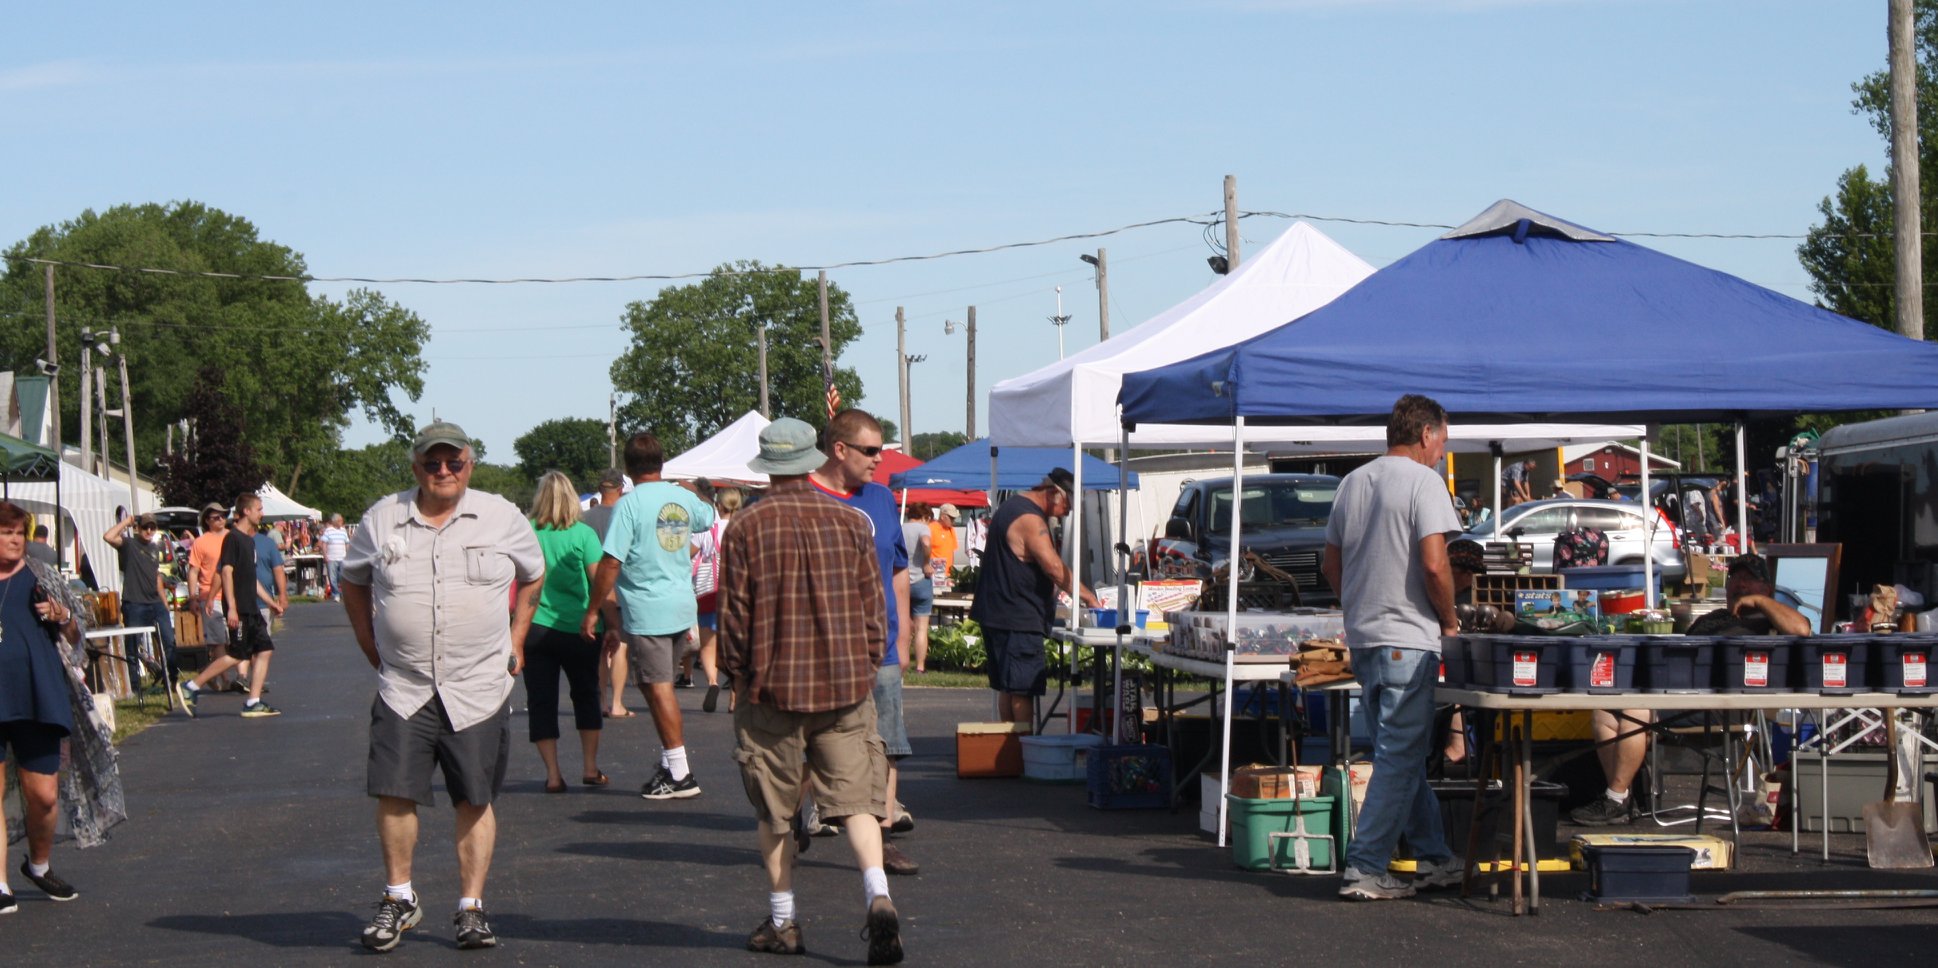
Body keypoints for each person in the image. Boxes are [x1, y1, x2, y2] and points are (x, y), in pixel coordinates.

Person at [341, 420, 545, 951]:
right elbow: (353, 580)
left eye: (454, 462)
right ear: (416, 467)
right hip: (404, 686)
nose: (444, 471)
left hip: (478, 684)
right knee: (394, 792)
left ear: (469, 465)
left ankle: (471, 908)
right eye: (433, 462)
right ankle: (399, 896)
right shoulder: (382, 519)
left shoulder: (502, 517)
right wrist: (370, 644)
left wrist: (517, 638)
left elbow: (534, 573)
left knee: (474, 798)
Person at [717, 418, 905, 964]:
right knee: (858, 805)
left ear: (769, 468)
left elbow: (734, 618)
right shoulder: (852, 521)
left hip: (773, 690)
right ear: (812, 459)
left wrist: (737, 675)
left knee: (775, 814)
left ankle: (783, 922)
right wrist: (868, 663)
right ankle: (878, 894)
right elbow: (876, 611)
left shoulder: (746, 528)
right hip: (846, 688)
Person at [1321, 393, 1465, 901]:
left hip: (1365, 638)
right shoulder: (1425, 482)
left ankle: (1434, 856)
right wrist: (1450, 622)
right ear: (1426, 434)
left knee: (1398, 754)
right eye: (1442, 443)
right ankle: (1364, 867)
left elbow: (1330, 565)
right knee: (1400, 757)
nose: (1442, 454)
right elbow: (1434, 563)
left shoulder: (1352, 482)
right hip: (1409, 638)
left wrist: (1361, 605)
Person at [1570, 552, 1811, 825]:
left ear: (1766, 588)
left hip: (1721, 705)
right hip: (1677, 694)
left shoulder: (1766, 622)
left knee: (1635, 711)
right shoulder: (1712, 617)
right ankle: (1624, 798)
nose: (1740, 584)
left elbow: (1802, 629)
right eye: (1736, 578)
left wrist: (1761, 602)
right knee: (1604, 710)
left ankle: (1614, 800)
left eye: (1750, 579)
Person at [807, 410, 918, 876]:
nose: (879, 460)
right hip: (820, 648)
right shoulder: (804, 496)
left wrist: (906, 632)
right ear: (840, 450)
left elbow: (897, 569)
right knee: (808, 740)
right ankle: (797, 820)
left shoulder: (881, 498)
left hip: (880, 648)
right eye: (871, 451)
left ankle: (884, 835)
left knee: (887, 744)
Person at [0, 500, 120, 913]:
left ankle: (37, 864)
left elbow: (76, 631)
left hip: (37, 695)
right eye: (6, 533)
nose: (15, 540)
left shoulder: (41, 575)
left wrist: (62, 612)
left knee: (44, 797)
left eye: (19, 532)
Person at [583, 432, 715, 801]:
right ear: (661, 464)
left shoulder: (629, 505)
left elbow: (611, 561)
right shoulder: (681, 497)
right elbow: (707, 517)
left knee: (657, 688)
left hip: (648, 607)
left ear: (628, 469)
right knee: (661, 688)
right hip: (680, 604)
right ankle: (670, 764)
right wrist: (689, 487)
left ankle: (681, 773)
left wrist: (594, 610)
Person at [970, 468, 1099, 724]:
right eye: (1067, 505)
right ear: (1053, 494)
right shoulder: (1030, 519)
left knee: (1008, 687)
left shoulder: (1011, 507)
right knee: (1022, 689)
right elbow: (1052, 567)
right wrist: (1088, 597)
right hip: (1017, 617)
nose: (1067, 513)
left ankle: (1012, 752)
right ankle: (1023, 749)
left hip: (999, 614)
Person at [523, 471, 610, 793]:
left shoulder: (526, 533)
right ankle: (589, 767)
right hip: (580, 628)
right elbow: (597, 582)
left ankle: (553, 774)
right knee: (586, 694)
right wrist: (607, 622)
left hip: (535, 626)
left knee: (541, 700)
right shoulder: (583, 535)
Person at [180, 493, 285, 718]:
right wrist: (232, 608)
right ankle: (191, 687)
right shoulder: (233, 539)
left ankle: (253, 702)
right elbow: (226, 572)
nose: (262, 513)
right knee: (237, 654)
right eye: (259, 509)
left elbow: (251, 579)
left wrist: (270, 602)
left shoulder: (249, 541)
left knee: (265, 651)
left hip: (253, 607)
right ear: (246, 511)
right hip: (240, 608)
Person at [103, 512, 179, 689]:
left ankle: (172, 681)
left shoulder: (156, 547)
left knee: (169, 641)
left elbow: (156, 577)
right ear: (138, 528)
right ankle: (135, 687)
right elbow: (108, 536)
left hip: (156, 602)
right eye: (145, 527)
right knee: (133, 646)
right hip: (134, 603)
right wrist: (126, 522)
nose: (149, 530)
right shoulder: (129, 544)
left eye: (152, 527)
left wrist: (164, 602)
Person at [579, 469, 633, 718]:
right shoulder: (626, 514)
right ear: (620, 489)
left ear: (600, 490)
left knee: (600, 649)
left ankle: (601, 700)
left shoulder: (584, 517)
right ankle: (617, 702)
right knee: (619, 646)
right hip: (620, 590)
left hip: (593, 591)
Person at [689, 486, 742, 714]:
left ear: (718, 505)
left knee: (708, 644)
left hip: (708, 591)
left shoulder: (707, 528)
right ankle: (734, 698)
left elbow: (688, 553)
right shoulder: (744, 528)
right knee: (735, 647)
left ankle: (712, 681)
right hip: (735, 594)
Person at [188, 503, 242, 689]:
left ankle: (210, 671)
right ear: (207, 521)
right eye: (215, 517)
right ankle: (225, 679)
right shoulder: (201, 542)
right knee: (218, 640)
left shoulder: (232, 536)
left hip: (233, 595)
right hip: (209, 595)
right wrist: (193, 597)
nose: (220, 520)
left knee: (234, 638)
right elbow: (193, 571)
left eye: (222, 516)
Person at [903, 504, 934, 675]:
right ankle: (920, 666)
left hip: (902, 581)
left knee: (904, 625)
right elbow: (926, 542)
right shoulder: (923, 528)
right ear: (925, 517)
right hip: (921, 580)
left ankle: (903, 662)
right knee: (921, 627)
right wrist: (926, 563)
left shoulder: (899, 528)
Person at [254, 520, 289, 633]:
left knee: (264, 644)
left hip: (264, 601)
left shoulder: (267, 542)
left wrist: (282, 595)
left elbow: (278, 569)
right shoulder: (233, 540)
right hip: (241, 604)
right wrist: (287, 544)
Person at [319, 513, 350, 601]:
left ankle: (344, 594)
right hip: (331, 557)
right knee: (332, 578)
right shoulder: (328, 530)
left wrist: (348, 555)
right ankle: (335, 594)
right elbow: (324, 544)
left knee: (342, 577)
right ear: (335, 521)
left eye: (342, 521)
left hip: (342, 557)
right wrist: (325, 555)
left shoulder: (343, 531)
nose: (341, 522)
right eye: (340, 521)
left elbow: (347, 543)